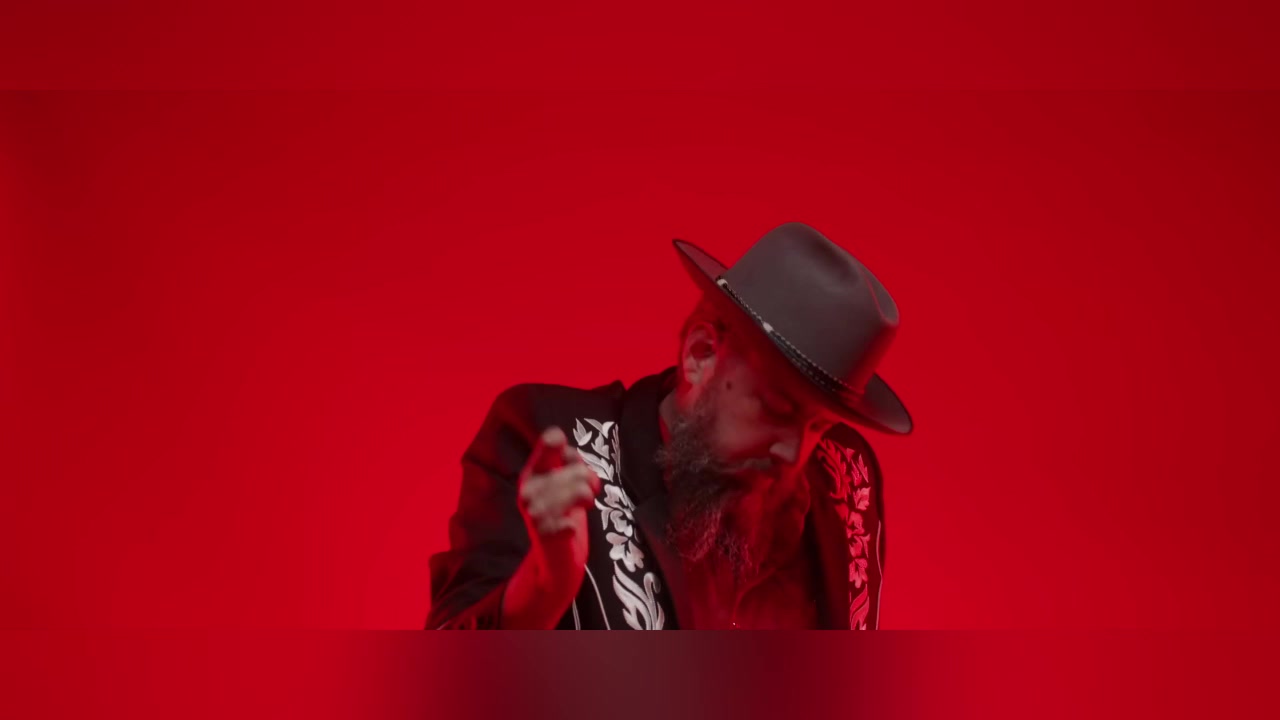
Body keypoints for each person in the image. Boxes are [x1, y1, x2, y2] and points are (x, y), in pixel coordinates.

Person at [426, 222, 912, 630]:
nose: (794, 452)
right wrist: (545, 583)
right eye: (776, 409)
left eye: (818, 426)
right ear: (701, 355)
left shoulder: (845, 474)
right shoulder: (547, 439)